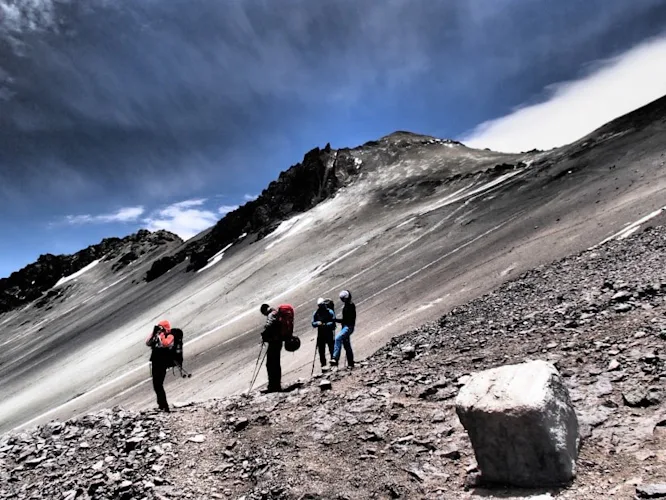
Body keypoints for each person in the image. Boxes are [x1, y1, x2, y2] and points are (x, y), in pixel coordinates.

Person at [145, 319, 175, 412]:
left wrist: (161, 335)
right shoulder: (156, 335)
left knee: (159, 384)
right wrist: (154, 333)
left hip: (162, 362)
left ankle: (164, 406)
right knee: (156, 385)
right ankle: (161, 404)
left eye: (161, 327)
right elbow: (148, 343)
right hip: (155, 361)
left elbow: (165, 344)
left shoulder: (170, 336)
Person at [260, 303, 284, 393]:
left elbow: (269, 325)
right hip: (279, 341)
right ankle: (277, 385)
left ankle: (272, 385)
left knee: (270, 364)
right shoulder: (277, 313)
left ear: (265, 310)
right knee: (276, 364)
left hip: (274, 342)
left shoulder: (271, 315)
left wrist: (264, 334)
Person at [331, 290, 356, 368]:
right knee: (347, 345)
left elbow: (346, 320)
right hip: (347, 326)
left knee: (338, 338)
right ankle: (350, 363)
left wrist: (335, 320)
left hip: (348, 327)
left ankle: (335, 358)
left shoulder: (350, 306)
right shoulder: (348, 305)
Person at [311, 298, 336, 369]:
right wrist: (317, 323)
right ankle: (323, 365)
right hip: (321, 334)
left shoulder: (330, 311)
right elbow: (313, 323)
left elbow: (333, 321)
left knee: (331, 348)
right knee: (321, 351)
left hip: (328, 333)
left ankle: (333, 363)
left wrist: (324, 324)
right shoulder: (316, 313)